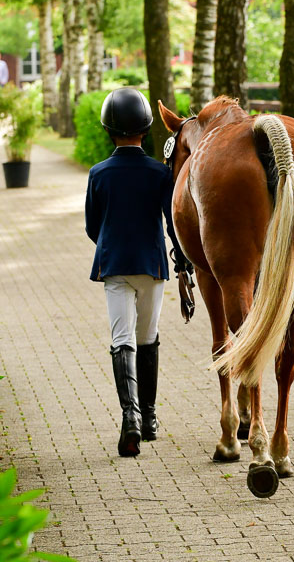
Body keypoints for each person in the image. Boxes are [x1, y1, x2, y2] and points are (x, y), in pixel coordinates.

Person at [85, 88, 188, 458]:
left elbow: (92, 226)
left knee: (121, 339)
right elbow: (173, 221)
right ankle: (149, 417)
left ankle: (129, 417)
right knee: (148, 338)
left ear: (108, 130)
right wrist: (183, 260)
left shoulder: (98, 174)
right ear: (146, 130)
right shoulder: (160, 173)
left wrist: (113, 244)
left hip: (115, 266)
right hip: (151, 265)